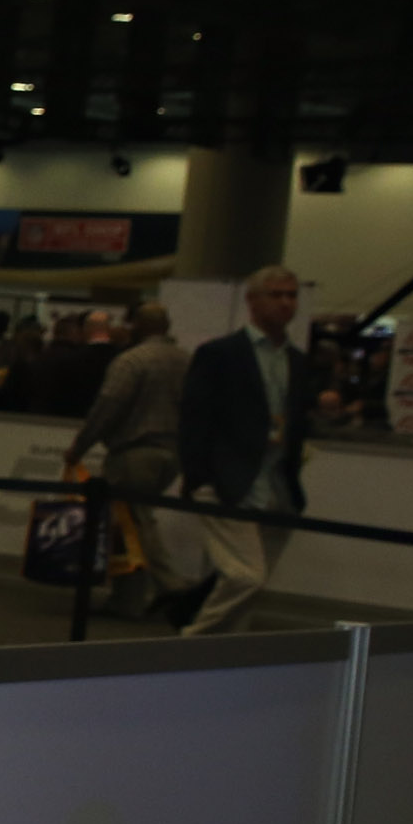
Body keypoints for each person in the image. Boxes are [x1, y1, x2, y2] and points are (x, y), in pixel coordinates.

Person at [175, 265, 311, 635]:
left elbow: (296, 423)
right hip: (227, 482)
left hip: (278, 487)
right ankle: (191, 641)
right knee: (245, 577)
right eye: (277, 295)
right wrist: (199, 476)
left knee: (252, 585)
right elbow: (194, 418)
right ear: (252, 301)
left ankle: (228, 660)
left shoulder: (297, 361)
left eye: (292, 295)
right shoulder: (220, 354)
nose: (286, 303)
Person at [64, 301, 184, 619]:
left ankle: (172, 585)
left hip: (135, 452)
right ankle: (128, 601)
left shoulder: (131, 361)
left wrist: (79, 446)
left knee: (134, 522)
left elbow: (107, 406)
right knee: (130, 524)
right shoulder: (187, 361)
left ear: (138, 326)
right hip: (173, 453)